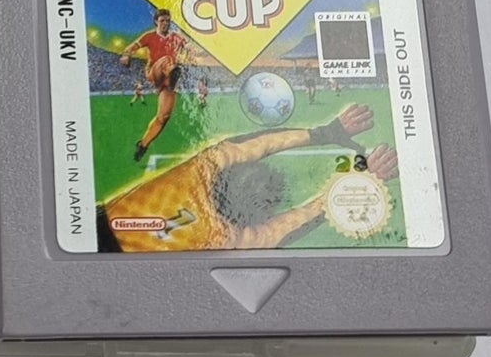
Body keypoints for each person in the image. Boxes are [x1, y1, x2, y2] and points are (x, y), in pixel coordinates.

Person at [97, 103, 397, 252]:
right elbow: (299, 219)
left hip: (99, 225)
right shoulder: (229, 238)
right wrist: (364, 180)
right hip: (117, 264)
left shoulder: (199, 172)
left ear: (229, 174)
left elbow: (259, 144)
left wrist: (325, 132)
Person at [120, 8, 193, 162]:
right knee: (167, 60)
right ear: (156, 22)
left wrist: (193, 51)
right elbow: (132, 47)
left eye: (168, 21)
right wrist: (126, 55)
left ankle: (143, 145)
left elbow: (190, 47)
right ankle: (173, 73)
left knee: (164, 117)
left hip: (167, 80)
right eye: (162, 21)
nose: (165, 23)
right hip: (155, 72)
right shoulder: (150, 36)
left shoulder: (176, 37)